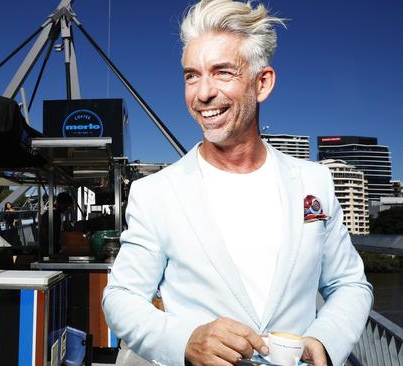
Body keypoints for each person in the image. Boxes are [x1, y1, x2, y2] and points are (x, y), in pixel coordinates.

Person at [102, 1, 373, 366]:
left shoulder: (314, 182)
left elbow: (349, 284)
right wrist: (186, 341)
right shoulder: (156, 193)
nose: (203, 94)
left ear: (262, 83)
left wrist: (325, 341)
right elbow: (120, 297)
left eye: (222, 72)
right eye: (191, 75)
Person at [38, 192, 74, 257]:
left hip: (50, 249)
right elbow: (45, 233)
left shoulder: (55, 214)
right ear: (60, 203)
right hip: (48, 251)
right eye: (66, 206)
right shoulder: (52, 215)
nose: (66, 209)